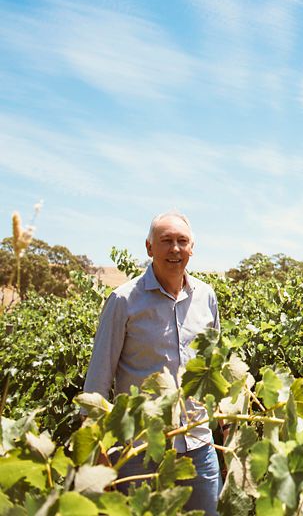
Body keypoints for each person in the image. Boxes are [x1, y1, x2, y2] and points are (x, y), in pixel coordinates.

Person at [83, 210, 221, 515]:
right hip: (140, 450)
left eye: (182, 241)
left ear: (192, 248)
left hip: (198, 444)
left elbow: (213, 368)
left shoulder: (207, 297)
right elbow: (98, 380)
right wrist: (99, 451)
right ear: (149, 248)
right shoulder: (124, 300)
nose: (175, 249)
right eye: (166, 241)